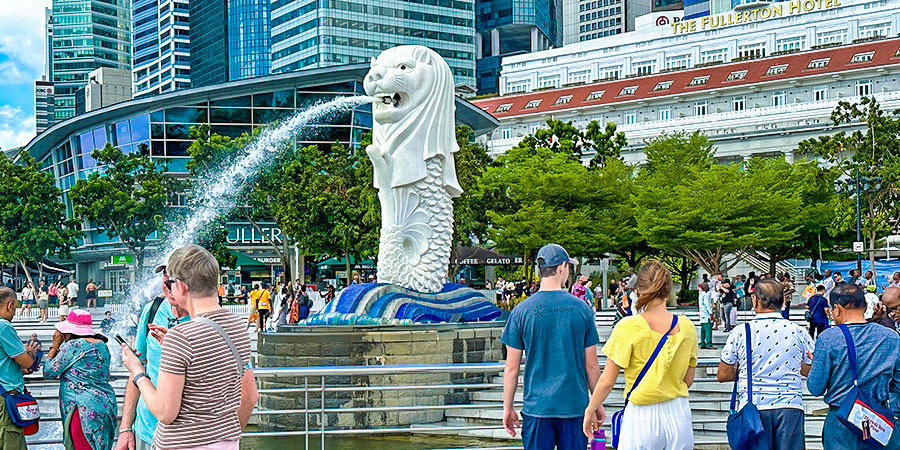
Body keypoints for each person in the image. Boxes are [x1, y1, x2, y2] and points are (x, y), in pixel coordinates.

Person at [120, 244, 258, 450]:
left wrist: (137, 371)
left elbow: (166, 412)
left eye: (171, 283)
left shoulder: (181, 337)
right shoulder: (236, 326)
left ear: (182, 287)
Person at [583, 259, 697, 449]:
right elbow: (688, 379)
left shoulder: (629, 326)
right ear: (668, 290)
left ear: (639, 290)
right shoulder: (687, 327)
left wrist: (590, 410)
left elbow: (607, 381)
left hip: (642, 416)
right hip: (678, 413)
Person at [501, 244, 600, 450]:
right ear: (562, 267)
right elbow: (591, 366)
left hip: (537, 408)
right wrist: (596, 405)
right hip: (574, 408)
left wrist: (508, 407)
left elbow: (511, 367)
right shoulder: (582, 309)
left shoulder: (521, 311)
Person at [718, 280, 814, 450]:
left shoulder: (741, 332)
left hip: (754, 409)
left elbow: (723, 374)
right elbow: (811, 370)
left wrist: (749, 370)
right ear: (783, 301)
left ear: (755, 300)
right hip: (790, 406)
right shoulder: (798, 331)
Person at [807, 283, 900, 449]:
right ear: (865, 306)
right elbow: (898, 384)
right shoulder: (891, 337)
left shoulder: (829, 338)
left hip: (841, 421)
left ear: (837, 309)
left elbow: (815, 387)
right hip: (879, 419)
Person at [116, 264, 190, 450]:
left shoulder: (208, 320)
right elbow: (139, 368)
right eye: (166, 275)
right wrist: (126, 428)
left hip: (189, 439)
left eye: (175, 276)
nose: (168, 282)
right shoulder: (153, 310)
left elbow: (247, 393)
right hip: (146, 433)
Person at [43, 309, 117, 450]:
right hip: (105, 404)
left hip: (82, 410)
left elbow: (48, 371)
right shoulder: (102, 345)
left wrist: (54, 346)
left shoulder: (74, 345)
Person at [0, 287, 40, 448]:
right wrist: (30, 353)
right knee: (10, 441)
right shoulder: (3, 326)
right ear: (9, 305)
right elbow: (27, 362)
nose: (14, 313)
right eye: (15, 308)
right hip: (6, 396)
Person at [698, 282, 714, 349]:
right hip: (706, 314)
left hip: (702, 314)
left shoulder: (700, 294)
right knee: (708, 329)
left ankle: (702, 343)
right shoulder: (706, 295)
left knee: (703, 329)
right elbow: (707, 305)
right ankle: (709, 343)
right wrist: (711, 313)